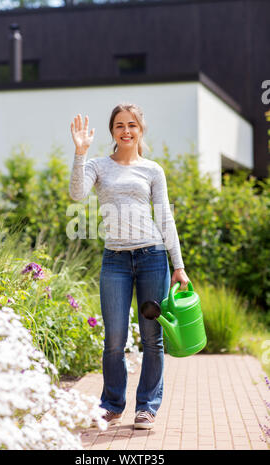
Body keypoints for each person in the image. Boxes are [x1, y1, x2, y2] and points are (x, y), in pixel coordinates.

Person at [69, 103, 189, 430]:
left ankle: (146, 408)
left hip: (153, 257)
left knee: (153, 338)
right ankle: (111, 404)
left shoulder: (153, 170)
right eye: (120, 125)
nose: (126, 130)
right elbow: (77, 194)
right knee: (114, 338)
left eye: (132, 125)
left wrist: (178, 265)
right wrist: (80, 153)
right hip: (116, 261)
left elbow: (164, 217)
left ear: (141, 130)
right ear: (112, 131)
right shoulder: (97, 165)